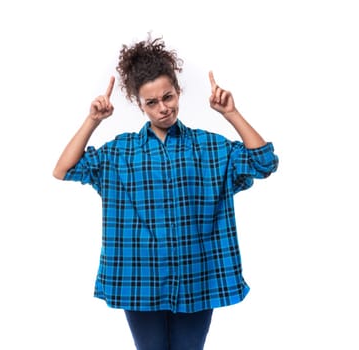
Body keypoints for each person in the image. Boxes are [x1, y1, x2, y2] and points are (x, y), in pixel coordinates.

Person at [53, 35, 279, 350]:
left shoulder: (210, 147)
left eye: (168, 97)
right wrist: (93, 120)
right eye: (152, 103)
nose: (163, 108)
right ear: (138, 104)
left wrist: (231, 114)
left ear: (178, 91)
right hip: (140, 280)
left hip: (198, 278)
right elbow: (64, 169)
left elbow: (264, 162)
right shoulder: (121, 152)